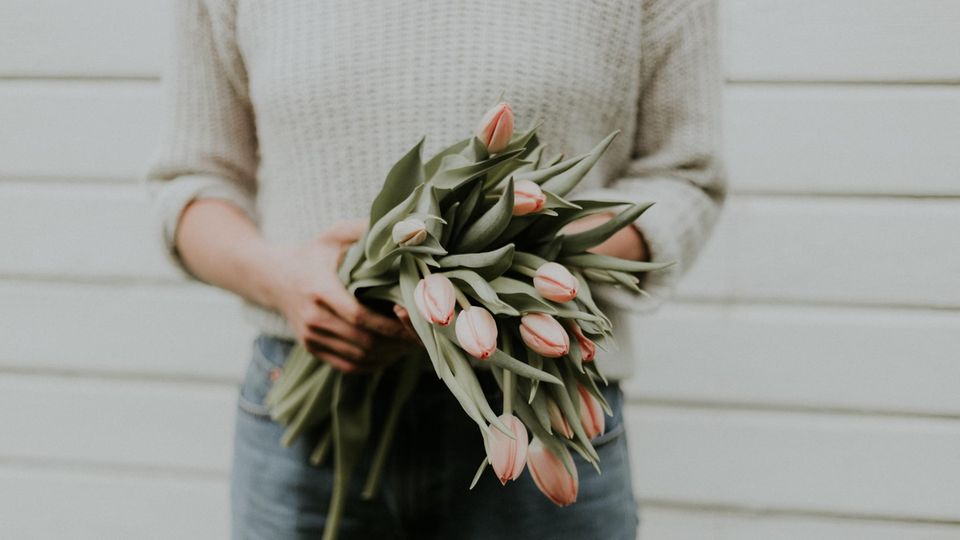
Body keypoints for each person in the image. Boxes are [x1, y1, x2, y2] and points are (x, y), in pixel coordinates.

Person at [148, 1, 725, 538]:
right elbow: (191, 185)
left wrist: (526, 252)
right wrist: (284, 280)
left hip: (536, 401)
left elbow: (688, 177)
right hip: (308, 411)